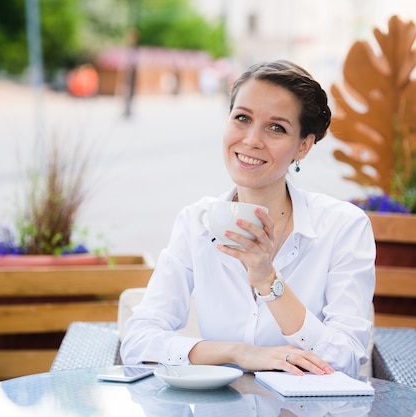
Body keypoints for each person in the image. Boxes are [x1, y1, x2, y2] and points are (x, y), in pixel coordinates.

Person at [120, 60, 376, 377]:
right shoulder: (195, 222)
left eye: (276, 128)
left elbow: (346, 359)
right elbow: (138, 343)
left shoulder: (344, 227)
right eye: (242, 118)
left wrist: (269, 281)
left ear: (304, 146)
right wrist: (241, 354)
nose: (252, 139)